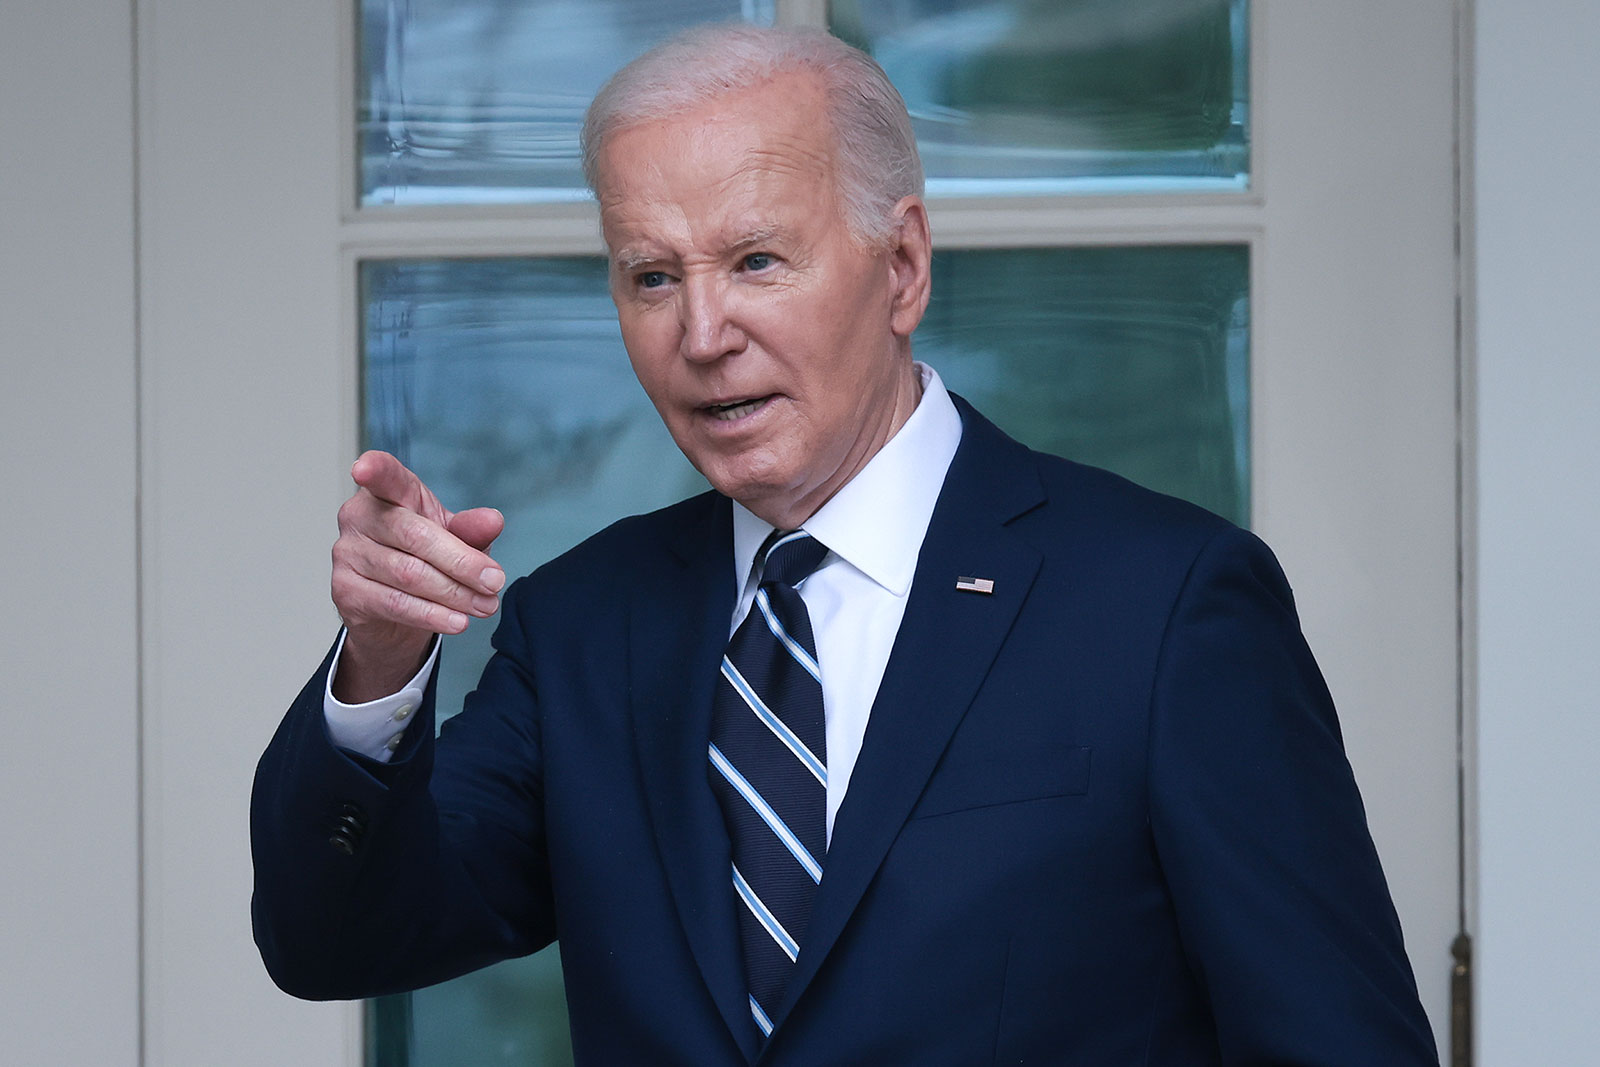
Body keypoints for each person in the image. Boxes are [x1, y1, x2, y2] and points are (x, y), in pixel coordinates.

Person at [252, 23, 1439, 1065]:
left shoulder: (1167, 605)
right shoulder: (583, 625)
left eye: (756, 259)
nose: (702, 331)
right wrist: (380, 663)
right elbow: (336, 937)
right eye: (651, 275)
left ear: (902, 265)